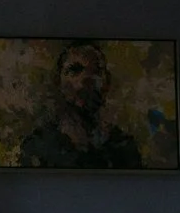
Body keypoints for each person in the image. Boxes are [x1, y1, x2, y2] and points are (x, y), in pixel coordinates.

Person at [16, 41, 143, 170]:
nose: (86, 78)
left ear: (107, 83)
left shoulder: (124, 147)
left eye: (96, 71)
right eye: (74, 70)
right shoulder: (38, 146)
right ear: (57, 81)